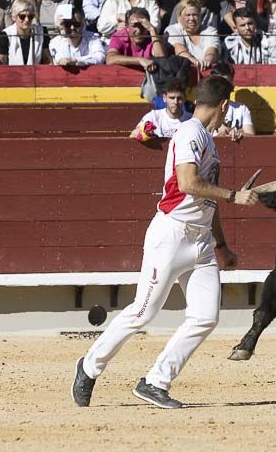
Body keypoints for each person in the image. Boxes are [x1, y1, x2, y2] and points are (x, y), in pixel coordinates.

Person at [72, 74, 260, 410]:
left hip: (200, 243)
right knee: (142, 314)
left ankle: (155, 381)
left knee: (205, 317)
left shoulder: (208, 140)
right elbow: (189, 183)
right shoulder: (190, 132)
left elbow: (207, 200)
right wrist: (234, 195)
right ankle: (89, 366)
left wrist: (222, 245)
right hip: (171, 237)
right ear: (224, 105)